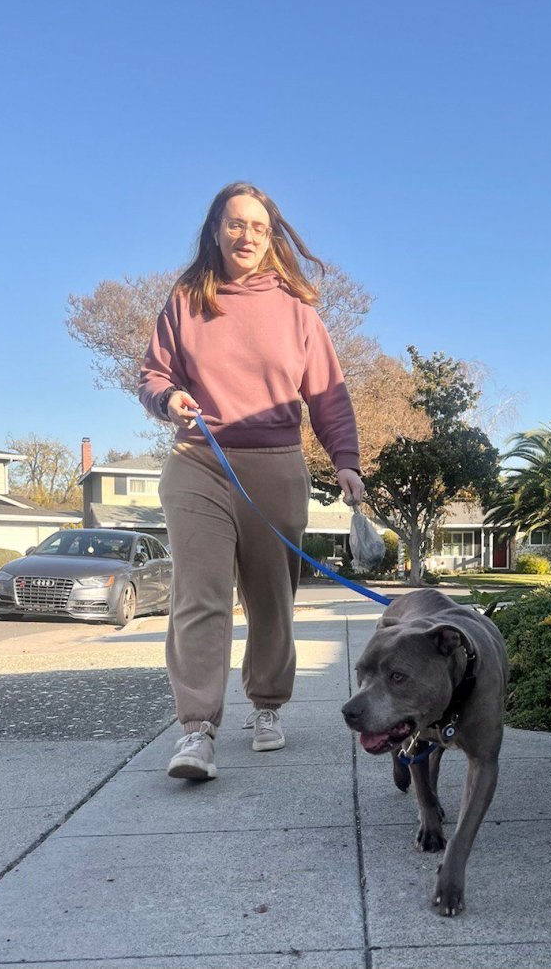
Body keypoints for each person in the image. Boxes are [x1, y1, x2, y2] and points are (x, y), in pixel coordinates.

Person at [138, 182, 364, 779]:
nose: (247, 235)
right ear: (216, 229)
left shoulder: (298, 311)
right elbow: (153, 374)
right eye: (236, 224)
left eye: (259, 227)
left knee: (271, 600)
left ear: (271, 238)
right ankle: (196, 729)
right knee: (200, 596)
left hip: (276, 465)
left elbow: (329, 394)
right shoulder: (186, 301)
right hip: (199, 461)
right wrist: (168, 398)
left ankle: (267, 706)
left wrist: (345, 461)